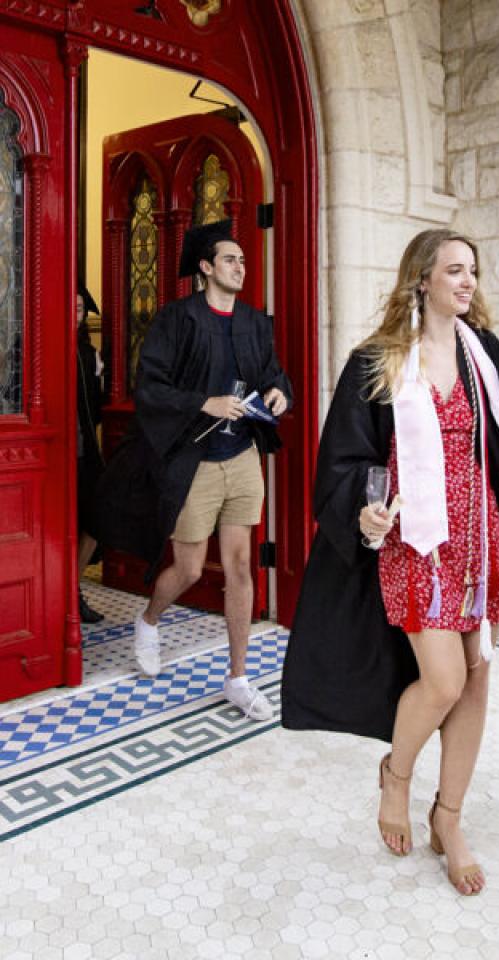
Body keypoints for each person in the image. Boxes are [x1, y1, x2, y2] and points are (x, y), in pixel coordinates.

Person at [282, 228, 499, 895]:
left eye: (472, 270)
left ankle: (450, 818)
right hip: (417, 542)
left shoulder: (484, 355)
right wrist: (366, 507)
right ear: (422, 279)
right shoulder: (377, 362)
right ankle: (398, 775)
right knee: (441, 680)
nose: (468, 282)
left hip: (478, 537)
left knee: (476, 680)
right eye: (454, 270)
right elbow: (344, 462)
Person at [98, 219, 292, 720]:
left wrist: (279, 393)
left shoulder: (253, 322)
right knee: (186, 567)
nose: (240, 267)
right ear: (206, 268)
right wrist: (204, 403)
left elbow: (273, 374)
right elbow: (150, 387)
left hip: (242, 457)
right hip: (196, 461)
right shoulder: (175, 320)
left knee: (240, 567)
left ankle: (238, 677)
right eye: (231, 259)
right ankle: (149, 619)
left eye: (243, 260)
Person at [77, 285, 106, 624]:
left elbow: (95, 410)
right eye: (70, 305)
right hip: (58, 453)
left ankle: (73, 584)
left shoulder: (88, 353)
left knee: (97, 518)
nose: (76, 312)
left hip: (86, 450)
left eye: (81, 307)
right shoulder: (37, 347)